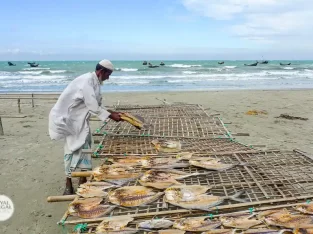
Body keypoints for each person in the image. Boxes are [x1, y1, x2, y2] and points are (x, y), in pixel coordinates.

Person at [48, 59, 122, 195]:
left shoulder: (96, 82)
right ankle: (68, 184)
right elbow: (93, 106)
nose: (108, 77)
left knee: (86, 146)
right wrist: (111, 116)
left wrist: (111, 112)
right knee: (71, 150)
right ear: (101, 71)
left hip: (81, 121)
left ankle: (83, 180)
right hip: (70, 121)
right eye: (108, 74)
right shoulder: (87, 81)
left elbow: (96, 104)